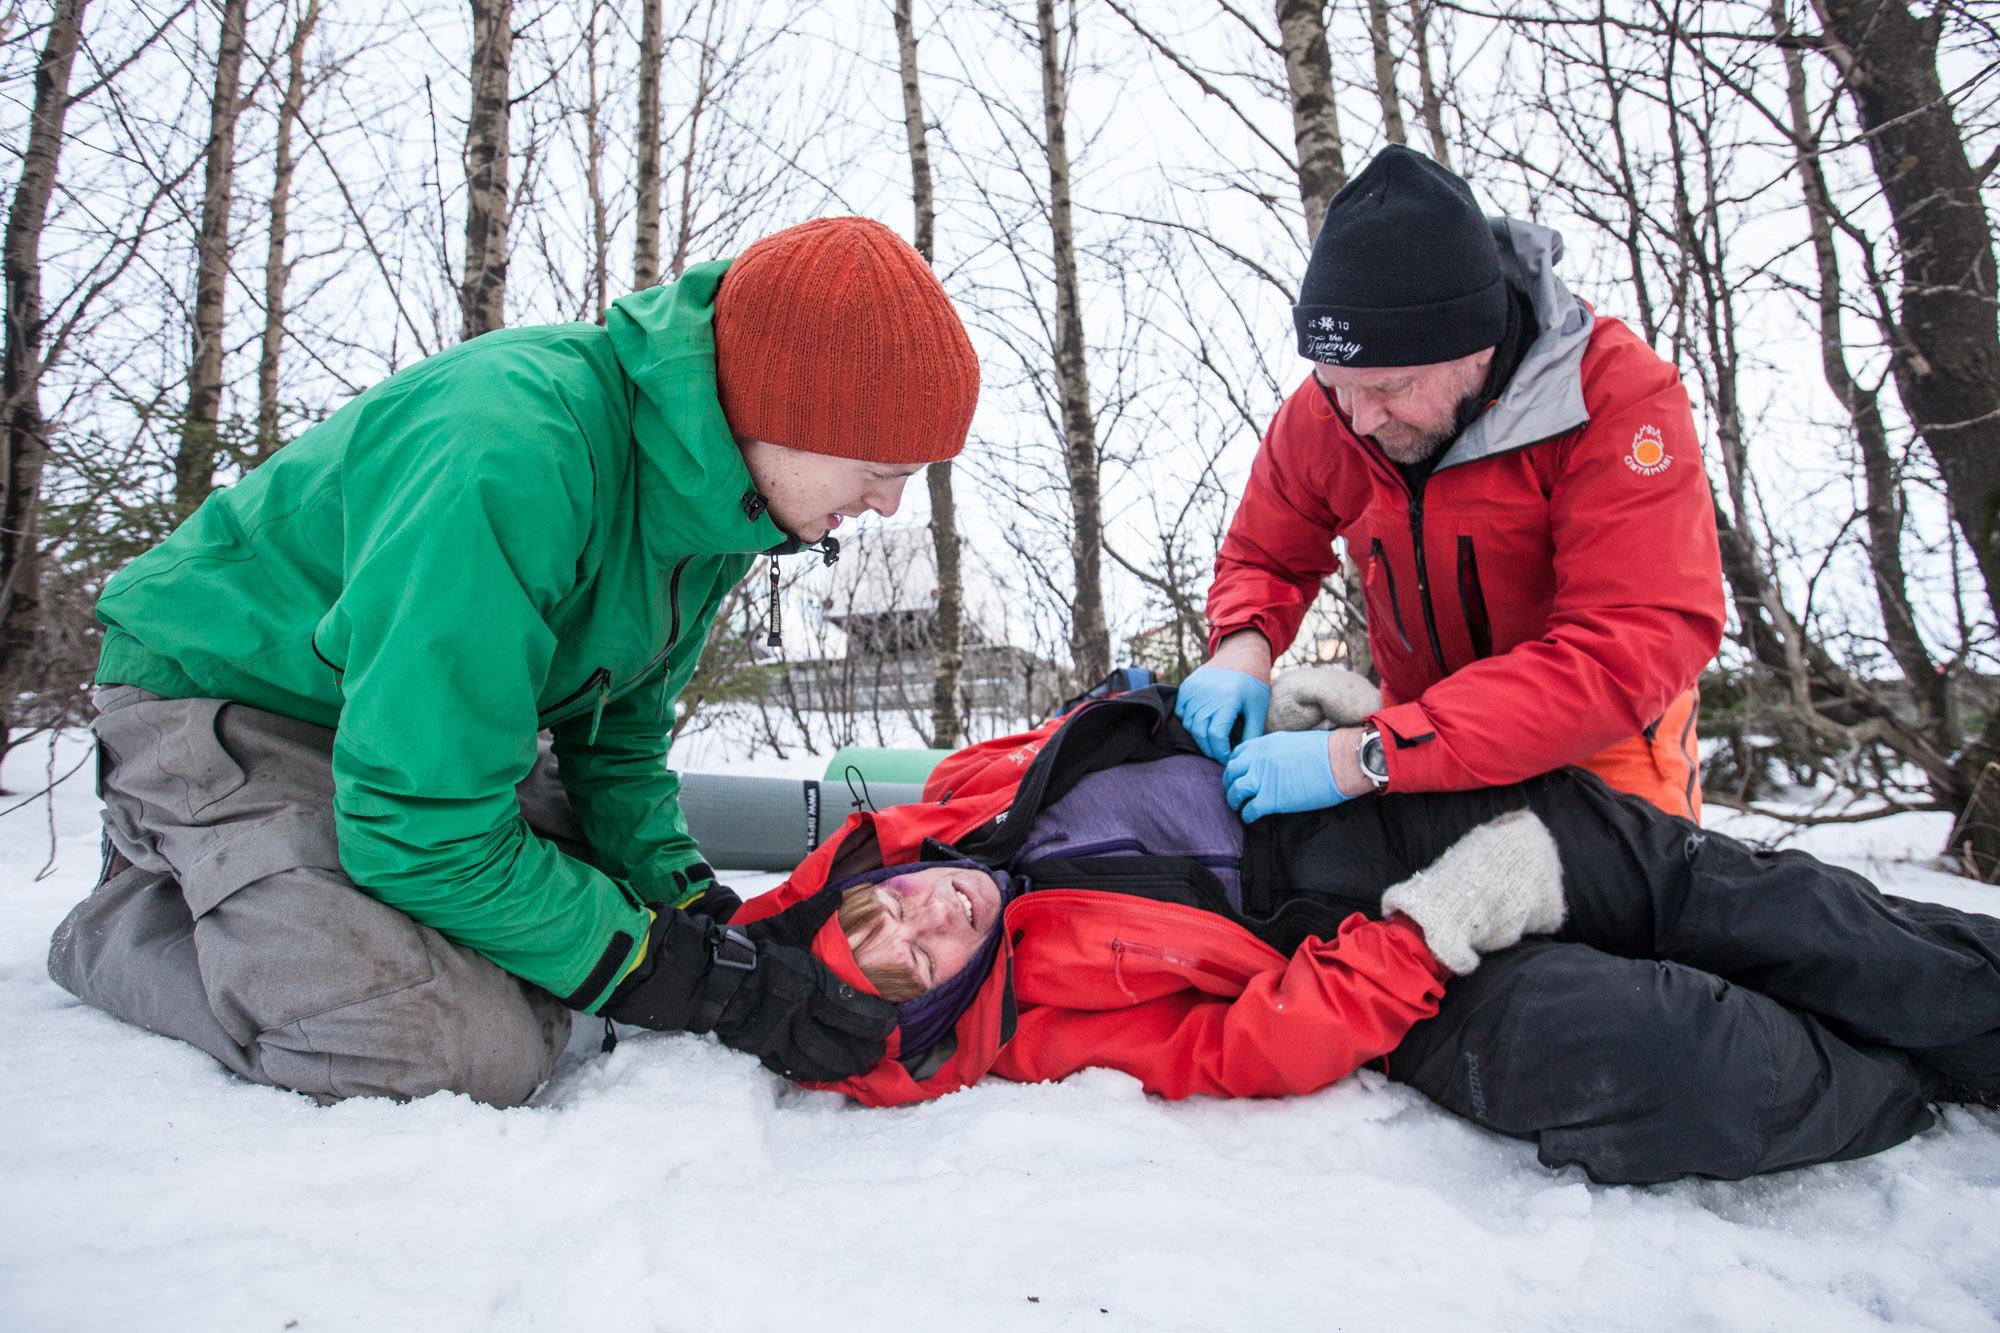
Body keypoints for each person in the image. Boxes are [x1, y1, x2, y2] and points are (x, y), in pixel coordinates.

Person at [47, 217, 978, 1106]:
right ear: (787, 410)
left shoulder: (722, 507)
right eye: (881, 467)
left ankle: (279, 890)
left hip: (408, 731)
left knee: (582, 916)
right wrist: (682, 979)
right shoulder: (514, 448)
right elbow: (423, 829)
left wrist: (692, 913)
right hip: (226, 703)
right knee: (449, 1038)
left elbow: (614, 744)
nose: (889, 506)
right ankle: (141, 907)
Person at [730, 677, 2000, 1186]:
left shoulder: (957, 807)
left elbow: (1145, 712)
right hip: (1391, 954)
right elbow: (1250, 1047)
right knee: (1652, 1052)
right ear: (944, 1009)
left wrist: (1302, 709)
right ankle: (1908, 1088)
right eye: (921, 957)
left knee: (1741, 900)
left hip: (1371, 796)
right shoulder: (1040, 1023)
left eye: (882, 911)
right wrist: (1436, 925)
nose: (929, 913)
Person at [1177, 145, 1727, 824]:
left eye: (1390, 388)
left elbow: (1627, 644)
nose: (1356, 417)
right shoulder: (1337, 407)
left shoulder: (1612, 398)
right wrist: (1243, 642)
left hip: (1602, 768)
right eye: (1333, 381)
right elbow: (1266, 551)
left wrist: (1369, 755)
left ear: (1476, 347)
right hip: (1414, 757)